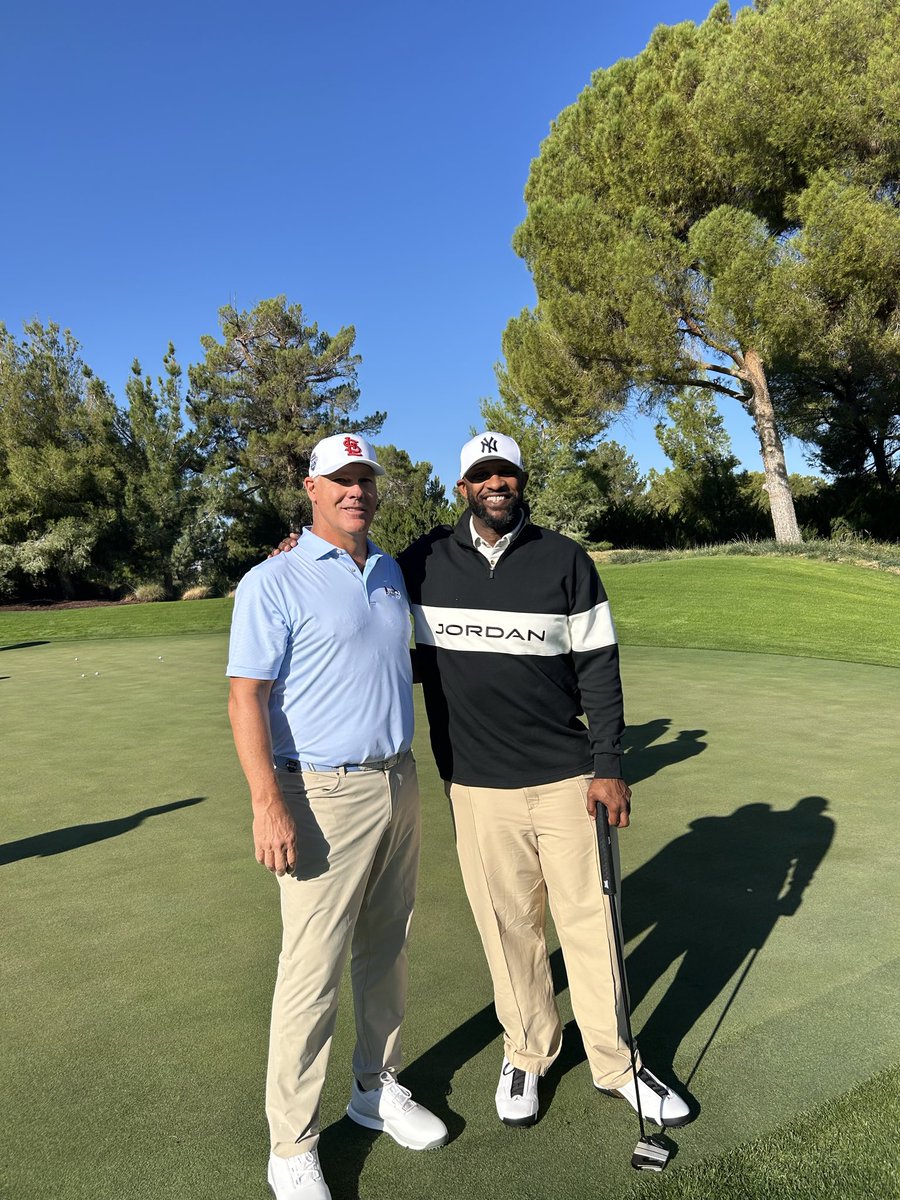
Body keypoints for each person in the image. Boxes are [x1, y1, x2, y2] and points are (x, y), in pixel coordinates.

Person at [275, 431, 689, 1132]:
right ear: (463, 487)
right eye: (482, 475)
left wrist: (610, 766)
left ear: (521, 482)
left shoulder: (565, 559)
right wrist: (297, 554)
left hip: (566, 777)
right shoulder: (422, 562)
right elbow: (357, 588)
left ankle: (617, 1063)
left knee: (590, 922)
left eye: (507, 474)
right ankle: (527, 1051)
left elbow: (599, 668)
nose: (496, 484)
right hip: (475, 785)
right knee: (509, 929)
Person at [228, 433, 447, 1200]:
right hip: (318, 793)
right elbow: (245, 696)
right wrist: (267, 803)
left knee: (387, 949)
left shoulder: (390, 570)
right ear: (312, 490)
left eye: (365, 479)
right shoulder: (273, 579)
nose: (356, 490)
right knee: (310, 973)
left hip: (398, 781)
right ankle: (290, 1143)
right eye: (340, 480)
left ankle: (373, 1089)